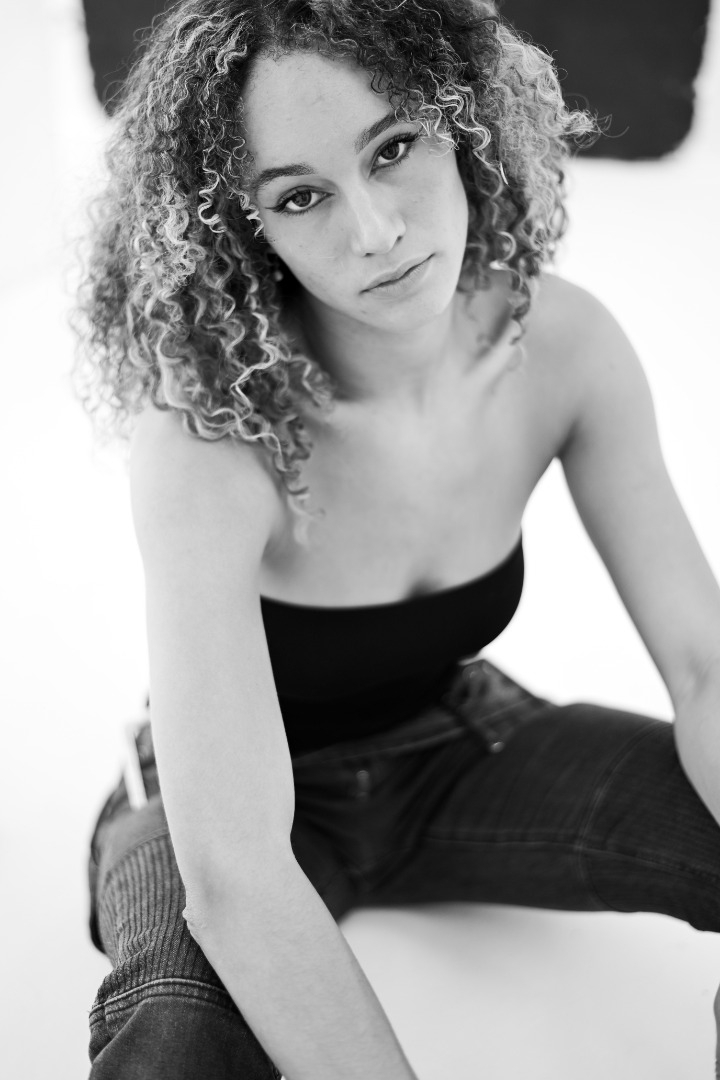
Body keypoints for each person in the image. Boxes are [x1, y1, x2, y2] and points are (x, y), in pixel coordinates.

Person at [73, 1, 720, 1077]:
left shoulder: (563, 347)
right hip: (222, 813)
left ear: (463, 122)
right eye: (301, 195)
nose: (374, 231)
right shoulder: (207, 435)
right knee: (174, 1042)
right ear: (246, 227)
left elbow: (704, 666)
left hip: (457, 746)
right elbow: (235, 875)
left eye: (393, 147)